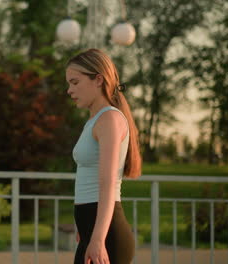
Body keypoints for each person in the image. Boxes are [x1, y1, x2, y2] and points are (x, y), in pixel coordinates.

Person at [66, 48, 142, 264]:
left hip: (107, 237)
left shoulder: (109, 119)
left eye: (75, 82)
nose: (69, 90)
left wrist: (98, 238)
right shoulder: (95, 120)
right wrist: (86, 229)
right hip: (93, 230)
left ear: (98, 80)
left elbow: (107, 184)